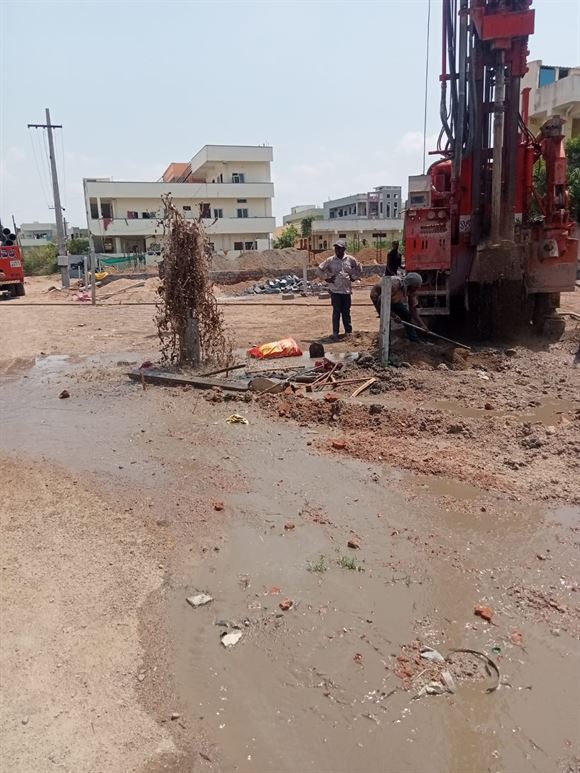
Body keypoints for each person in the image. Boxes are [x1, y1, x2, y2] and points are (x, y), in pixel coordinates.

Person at [318, 239, 363, 339]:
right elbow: (319, 270)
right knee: (336, 312)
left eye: (339, 248)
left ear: (344, 249)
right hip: (335, 291)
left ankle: (348, 333)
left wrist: (354, 277)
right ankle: (335, 333)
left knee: (346, 312)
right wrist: (327, 278)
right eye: (336, 248)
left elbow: (359, 268)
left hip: (346, 291)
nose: (337, 250)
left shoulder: (350, 260)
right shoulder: (330, 260)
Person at [370, 272, 428, 342]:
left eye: (418, 287)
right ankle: (386, 340)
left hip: (393, 299)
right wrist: (394, 316)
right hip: (379, 298)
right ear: (410, 284)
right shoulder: (395, 284)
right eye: (416, 287)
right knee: (386, 318)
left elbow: (413, 309)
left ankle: (414, 340)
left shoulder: (412, 290)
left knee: (406, 315)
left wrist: (421, 325)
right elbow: (381, 302)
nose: (417, 289)